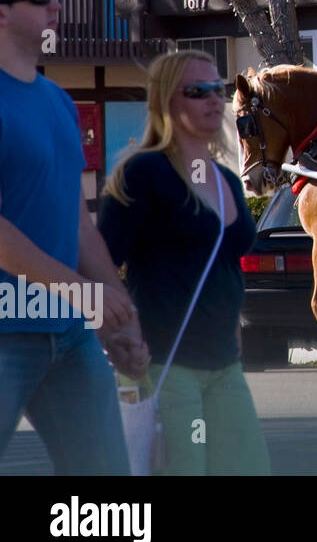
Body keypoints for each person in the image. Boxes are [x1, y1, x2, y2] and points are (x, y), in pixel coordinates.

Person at [0, 0, 148, 475]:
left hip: (68, 336)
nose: (55, 7)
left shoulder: (60, 102)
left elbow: (78, 221)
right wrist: (82, 293)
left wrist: (119, 321)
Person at [98, 49, 271, 475]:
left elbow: (225, 272)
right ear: (166, 103)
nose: (215, 100)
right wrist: (119, 337)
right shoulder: (143, 173)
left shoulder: (227, 179)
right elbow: (100, 266)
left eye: (219, 89)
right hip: (166, 365)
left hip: (224, 365)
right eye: (197, 91)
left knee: (246, 468)